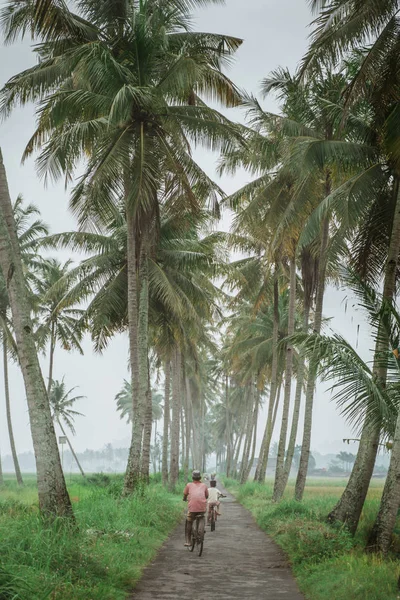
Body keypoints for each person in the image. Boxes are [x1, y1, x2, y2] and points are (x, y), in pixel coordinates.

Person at [183, 470, 208, 546]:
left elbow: (185, 494)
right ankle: (201, 531)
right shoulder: (204, 485)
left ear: (192, 477)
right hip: (202, 508)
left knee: (189, 520)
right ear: (200, 478)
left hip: (192, 508)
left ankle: (188, 541)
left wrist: (184, 498)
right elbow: (207, 496)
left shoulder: (189, 485)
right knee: (201, 516)